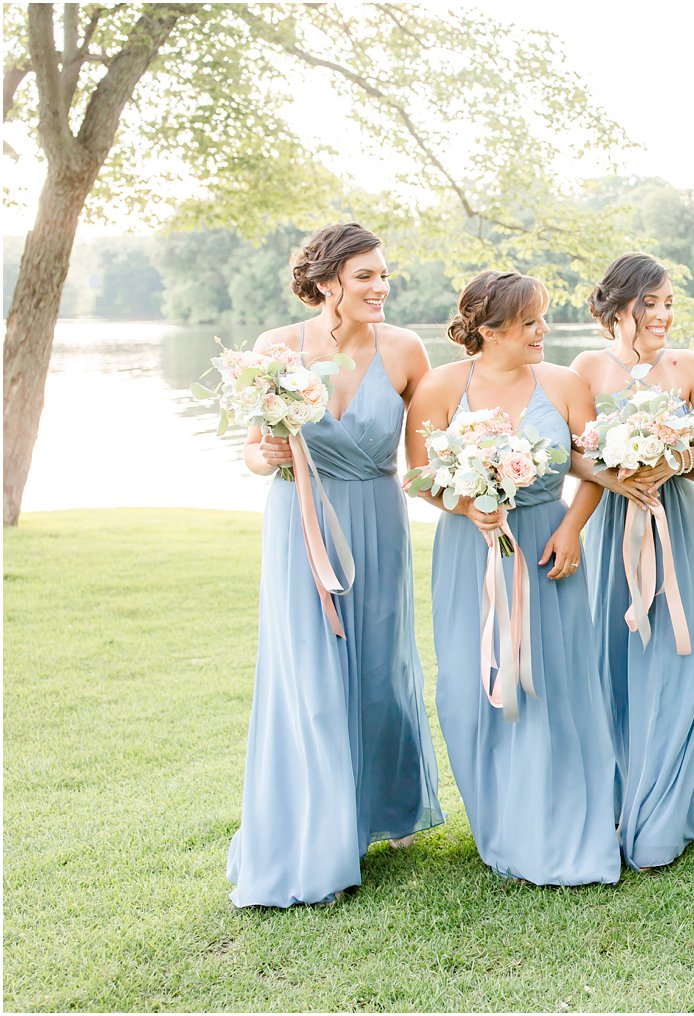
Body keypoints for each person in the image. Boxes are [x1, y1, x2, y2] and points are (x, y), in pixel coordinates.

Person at [227, 222, 443, 908]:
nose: (381, 288)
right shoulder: (276, 350)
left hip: (378, 521)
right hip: (301, 522)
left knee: (380, 670)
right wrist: (268, 456)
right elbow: (253, 449)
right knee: (311, 672)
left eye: (384, 275)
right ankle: (321, 829)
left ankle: (385, 805)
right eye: (366, 277)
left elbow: (424, 467)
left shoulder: (407, 351)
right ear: (327, 285)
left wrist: (494, 492)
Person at [407, 270, 620, 886]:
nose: (542, 332)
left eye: (542, 319)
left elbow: (596, 467)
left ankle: (564, 821)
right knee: (474, 686)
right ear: (488, 329)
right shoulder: (440, 387)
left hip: (548, 544)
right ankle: (499, 820)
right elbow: (418, 477)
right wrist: (466, 503)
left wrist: (573, 528)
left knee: (556, 682)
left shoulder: (565, 384)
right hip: (471, 552)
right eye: (530, 322)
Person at [570, 252, 694, 870]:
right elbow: (571, 453)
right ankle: (614, 798)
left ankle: (663, 814)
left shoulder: (688, 365)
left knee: (678, 660)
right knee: (610, 659)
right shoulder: (582, 368)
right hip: (612, 529)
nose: (660, 315)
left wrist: (672, 461)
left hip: (675, 524)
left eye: (667, 304)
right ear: (617, 305)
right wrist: (610, 476)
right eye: (649, 303)